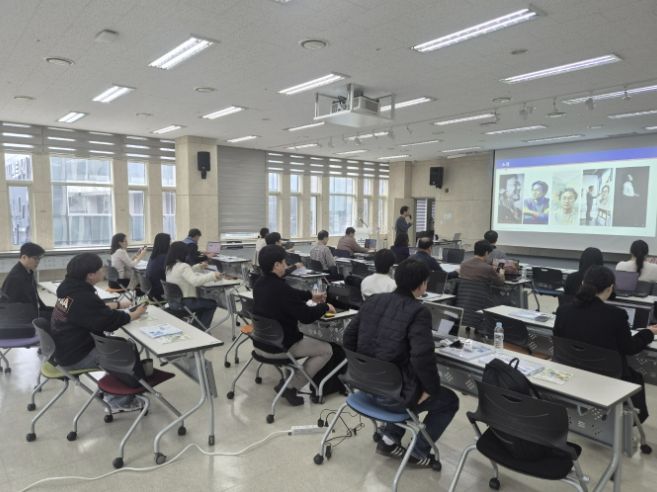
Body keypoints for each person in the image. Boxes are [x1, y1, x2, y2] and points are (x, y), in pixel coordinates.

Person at [343, 258, 459, 467]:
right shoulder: (418, 311)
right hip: (393, 396)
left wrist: (362, 367)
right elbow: (422, 357)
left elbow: (348, 337)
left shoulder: (373, 300)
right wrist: (430, 388)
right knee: (449, 400)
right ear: (422, 284)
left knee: (403, 382)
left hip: (364, 384)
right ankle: (419, 452)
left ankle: (389, 440)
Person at [554, 266, 657, 422]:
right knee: (635, 376)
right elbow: (630, 348)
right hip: (609, 376)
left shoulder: (563, 310)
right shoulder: (616, 315)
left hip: (571, 369)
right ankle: (628, 422)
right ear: (610, 288)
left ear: (583, 283)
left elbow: (558, 338)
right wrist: (648, 332)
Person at [50, 253, 147, 412]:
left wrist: (117, 305)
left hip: (65, 348)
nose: (104, 271)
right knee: (123, 352)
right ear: (90, 275)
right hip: (75, 356)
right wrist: (132, 315)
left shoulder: (69, 290)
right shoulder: (82, 296)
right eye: (101, 269)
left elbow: (88, 312)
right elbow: (107, 322)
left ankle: (117, 390)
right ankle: (120, 401)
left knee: (118, 345)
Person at [253, 245, 335, 406]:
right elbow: (306, 316)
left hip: (260, 344)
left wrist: (310, 296)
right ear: (276, 265)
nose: (286, 266)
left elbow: (290, 294)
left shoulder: (259, 283)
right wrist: (325, 306)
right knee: (327, 350)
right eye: (284, 262)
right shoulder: (281, 288)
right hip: (279, 347)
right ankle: (291, 386)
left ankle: (289, 383)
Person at [165, 241, 226, 330]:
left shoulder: (170, 266)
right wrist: (213, 275)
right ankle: (202, 329)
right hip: (185, 303)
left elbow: (185, 272)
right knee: (211, 304)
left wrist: (199, 267)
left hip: (173, 302)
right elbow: (195, 281)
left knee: (203, 305)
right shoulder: (183, 266)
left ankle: (196, 327)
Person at [1, 242, 52, 318]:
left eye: (39, 258)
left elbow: (35, 297)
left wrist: (44, 308)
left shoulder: (28, 272)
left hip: (32, 310)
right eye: (35, 258)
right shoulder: (16, 278)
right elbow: (10, 307)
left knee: (59, 313)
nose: (38, 262)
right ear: (24, 257)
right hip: (23, 316)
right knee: (59, 318)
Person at [145, 232, 171, 301]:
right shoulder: (165, 257)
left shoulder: (153, 256)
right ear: (166, 243)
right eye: (169, 242)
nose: (170, 244)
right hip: (160, 292)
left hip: (151, 291)